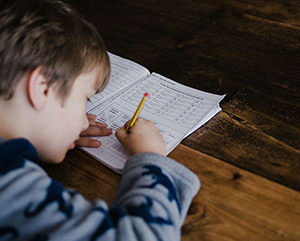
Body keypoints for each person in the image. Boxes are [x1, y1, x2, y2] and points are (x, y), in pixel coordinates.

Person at [0, 0, 200, 240]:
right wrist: (151, 159)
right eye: (85, 99)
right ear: (43, 88)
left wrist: (47, 128)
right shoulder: (10, 186)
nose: (85, 122)